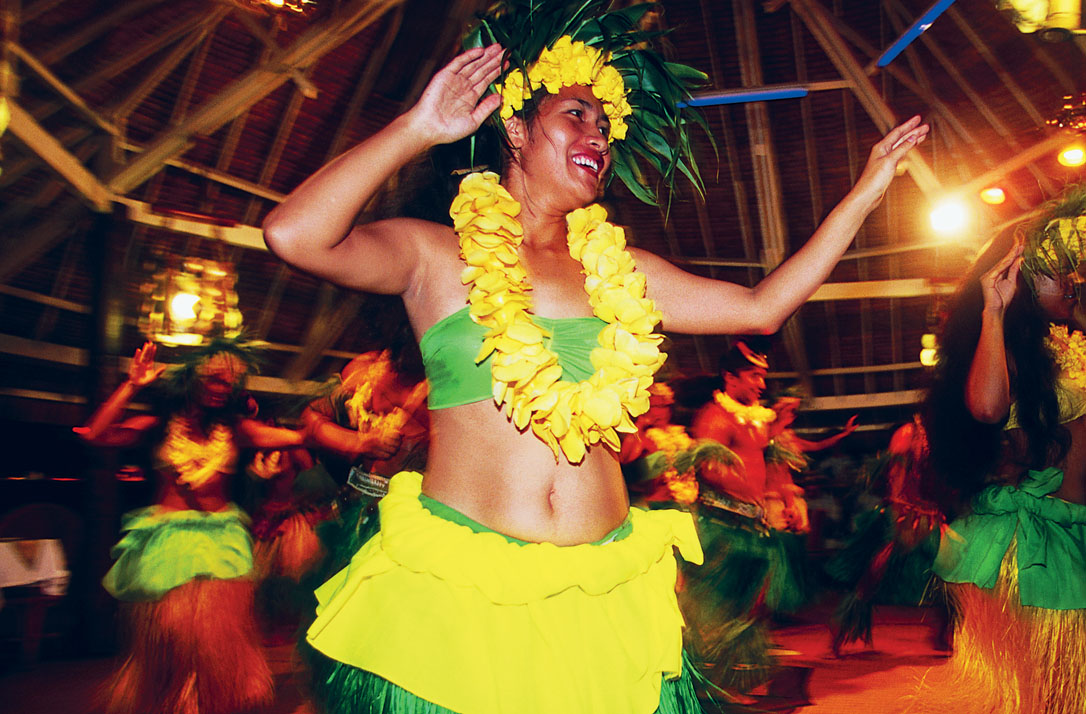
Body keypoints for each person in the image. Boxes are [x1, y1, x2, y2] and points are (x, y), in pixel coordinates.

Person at [261, 2, 928, 711]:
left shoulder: (623, 269)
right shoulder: (434, 254)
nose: (599, 136)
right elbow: (293, 235)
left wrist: (866, 193)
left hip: (605, 588)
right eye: (576, 115)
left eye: (605, 125)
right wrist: (417, 130)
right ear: (514, 127)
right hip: (470, 594)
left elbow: (763, 305)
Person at [75, 339, 354, 714]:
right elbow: (96, 434)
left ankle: (200, 703)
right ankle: (176, 702)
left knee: (211, 647)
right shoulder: (158, 425)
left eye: (231, 381)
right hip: (167, 540)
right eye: (216, 378)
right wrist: (133, 384)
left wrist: (336, 411)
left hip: (219, 542)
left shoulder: (236, 430)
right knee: (172, 639)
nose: (224, 387)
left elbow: (302, 437)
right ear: (192, 376)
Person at [921, 186, 1086, 713]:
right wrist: (993, 312)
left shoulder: (1070, 340)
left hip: (1076, 530)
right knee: (1058, 697)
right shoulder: (1012, 350)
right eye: (1054, 268)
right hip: (1041, 543)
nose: (1070, 277)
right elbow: (988, 410)